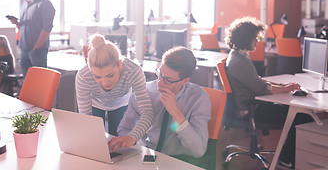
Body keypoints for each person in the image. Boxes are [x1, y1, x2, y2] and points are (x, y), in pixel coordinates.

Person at [224, 16, 312, 169]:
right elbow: (261, 89)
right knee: (300, 115)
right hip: (253, 109)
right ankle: (285, 158)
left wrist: (282, 85)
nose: (257, 41)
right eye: (255, 38)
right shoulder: (238, 61)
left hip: (255, 104)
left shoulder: (239, 55)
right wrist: (287, 89)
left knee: (297, 111)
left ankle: (288, 156)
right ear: (246, 38)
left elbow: (257, 80)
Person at [117, 46, 211, 160]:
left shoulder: (199, 98)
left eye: (168, 80)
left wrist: (175, 112)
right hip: (146, 154)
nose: (160, 83)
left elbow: (198, 150)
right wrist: (135, 144)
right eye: (160, 74)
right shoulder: (144, 92)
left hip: (180, 160)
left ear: (185, 80)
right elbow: (124, 129)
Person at [76, 34, 153, 152]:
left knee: (118, 144)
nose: (104, 82)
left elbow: (147, 113)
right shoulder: (84, 76)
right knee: (95, 144)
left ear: (120, 63)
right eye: (97, 77)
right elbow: (86, 117)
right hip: (95, 103)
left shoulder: (134, 71)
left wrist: (132, 137)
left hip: (121, 102)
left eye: (110, 75)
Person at [8, 0, 55, 77]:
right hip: (24, 49)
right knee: (27, 82)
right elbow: (25, 27)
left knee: (40, 82)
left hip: (37, 50)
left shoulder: (45, 4)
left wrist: (35, 48)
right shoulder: (25, 4)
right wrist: (16, 23)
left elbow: (47, 29)